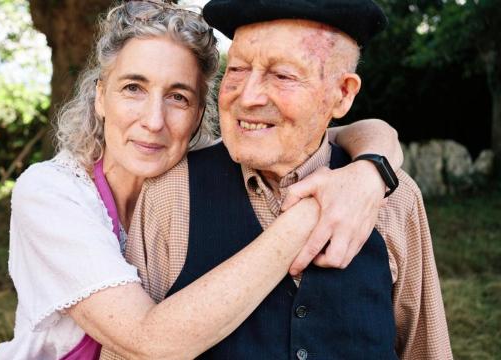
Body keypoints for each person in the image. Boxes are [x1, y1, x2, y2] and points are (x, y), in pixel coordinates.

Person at [0, 1, 405, 359]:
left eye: (178, 97)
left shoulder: (193, 172)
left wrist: (372, 168)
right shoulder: (50, 193)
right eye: (133, 87)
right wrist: (315, 208)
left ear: (199, 113)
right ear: (101, 96)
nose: (153, 122)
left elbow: (309, 132)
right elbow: (148, 343)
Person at [114, 0, 453, 359]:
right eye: (239, 69)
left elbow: (425, 349)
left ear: (343, 94)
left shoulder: (394, 198)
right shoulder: (171, 192)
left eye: (282, 76)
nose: (247, 97)